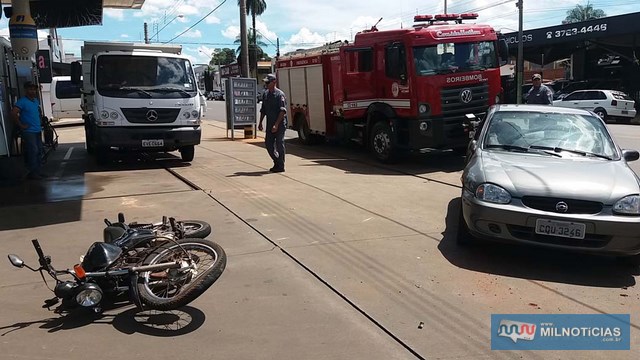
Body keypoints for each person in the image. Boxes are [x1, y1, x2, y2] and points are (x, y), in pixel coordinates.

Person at [12, 81, 45, 179]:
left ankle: (38, 172)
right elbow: (13, 113)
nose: (33, 91)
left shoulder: (35, 101)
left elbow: (37, 112)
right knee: (33, 151)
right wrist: (21, 125)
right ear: (26, 90)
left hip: (37, 129)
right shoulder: (22, 102)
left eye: (34, 89)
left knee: (39, 150)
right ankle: (33, 173)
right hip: (29, 131)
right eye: (30, 89)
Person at [258, 74, 288, 173]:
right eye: (265, 82)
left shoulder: (280, 95)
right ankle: (277, 161)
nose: (266, 84)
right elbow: (263, 110)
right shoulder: (266, 94)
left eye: (268, 82)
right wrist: (260, 122)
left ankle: (281, 165)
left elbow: (282, 111)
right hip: (270, 123)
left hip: (280, 124)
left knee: (279, 143)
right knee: (268, 144)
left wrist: (276, 124)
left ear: (274, 82)